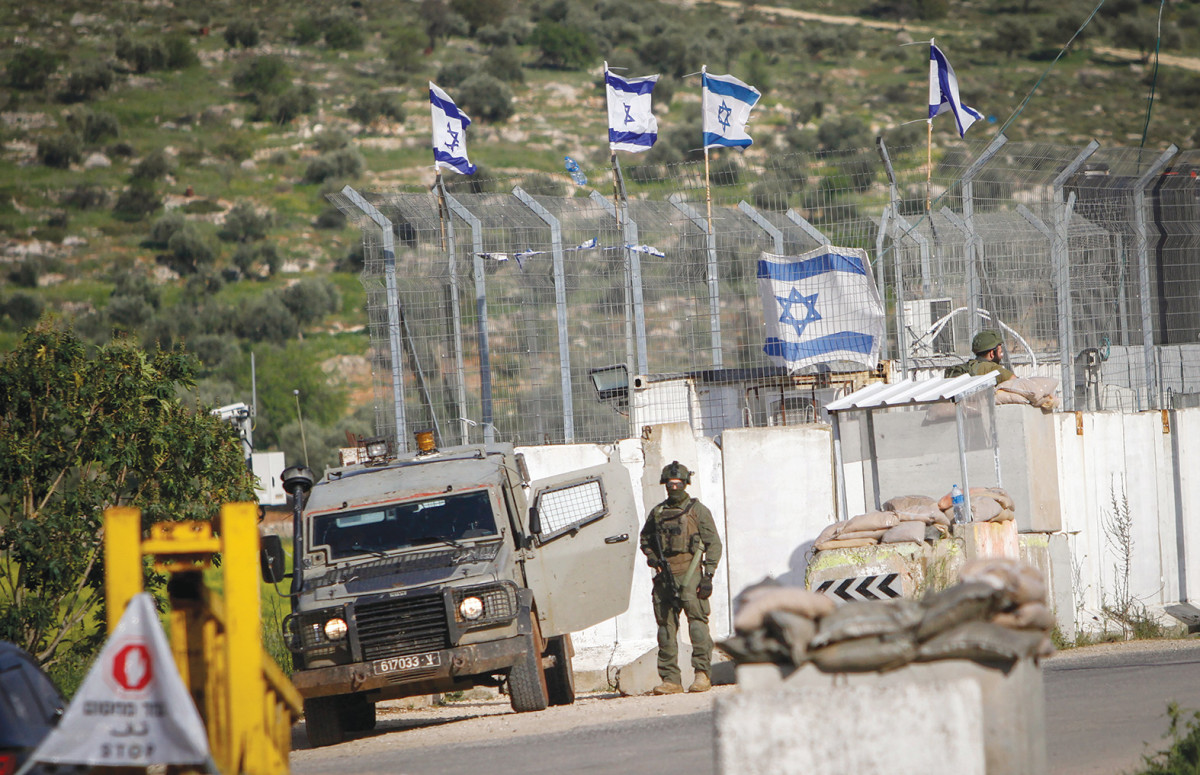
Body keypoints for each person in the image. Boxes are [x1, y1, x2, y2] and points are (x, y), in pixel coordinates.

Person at [639, 461, 723, 695]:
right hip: (664, 577)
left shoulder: (698, 510)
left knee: (697, 625)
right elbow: (645, 539)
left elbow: (713, 543)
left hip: (691, 573)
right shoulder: (657, 513)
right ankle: (670, 679)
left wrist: (708, 575)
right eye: (669, 483)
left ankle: (702, 674)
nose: (673, 487)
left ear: (685, 483)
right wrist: (653, 558)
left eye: (677, 483)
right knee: (666, 628)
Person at [950, 329, 1015, 383]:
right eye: (1000, 353)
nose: (1001, 356)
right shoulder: (994, 370)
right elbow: (1017, 382)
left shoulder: (966, 368)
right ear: (992, 354)